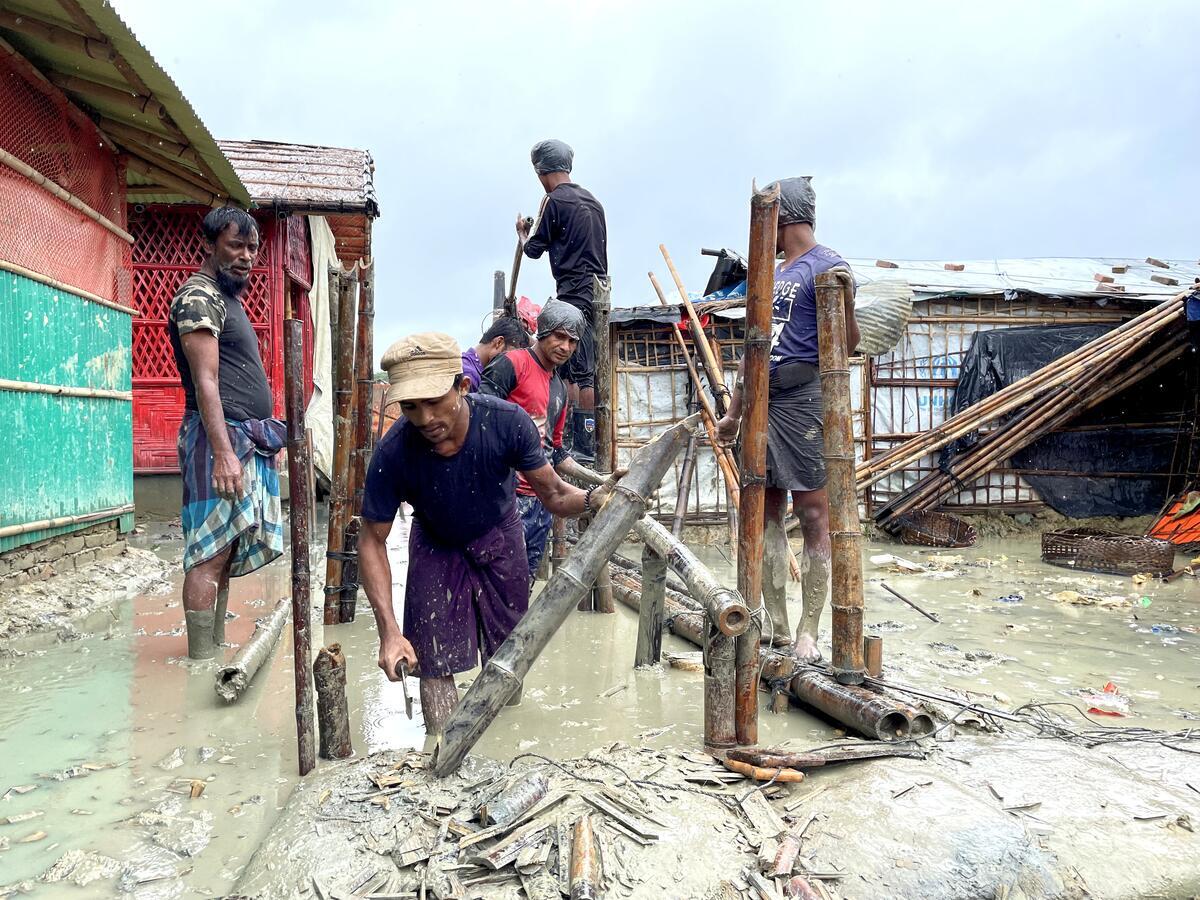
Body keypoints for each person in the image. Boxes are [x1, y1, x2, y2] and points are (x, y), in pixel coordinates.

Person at [358, 333, 622, 737]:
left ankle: (504, 742)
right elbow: (373, 540)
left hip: (499, 535)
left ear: (462, 387)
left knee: (508, 653)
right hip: (435, 543)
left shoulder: (506, 423)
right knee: (431, 658)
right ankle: (442, 757)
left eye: (434, 401)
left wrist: (593, 498)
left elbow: (552, 494)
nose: (425, 419)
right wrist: (389, 633)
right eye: (411, 407)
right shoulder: (394, 452)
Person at [716, 177, 859, 662]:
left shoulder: (829, 266)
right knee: (766, 509)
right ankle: (775, 626)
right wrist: (735, 413)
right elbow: (753, 347)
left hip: (803, 398)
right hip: (761, 399)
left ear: (785, 218)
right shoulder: (772, 273)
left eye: (768, 222)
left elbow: (850, 342)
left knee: (814, 511)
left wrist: (847, 299)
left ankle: (809, 631)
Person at [168, 207, 285, 660]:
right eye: (236, 245)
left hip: (244, 438)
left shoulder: (225, 298)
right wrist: (223, 452)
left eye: (252, 248)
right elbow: (206, 381)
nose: (247, 256)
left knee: (228, 545)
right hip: (219, 439)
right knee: (209, 551)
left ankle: (213, 648)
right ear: (208, 244)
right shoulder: (198, 297)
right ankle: (200, 661)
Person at [480, 300, 591, 581]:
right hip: (503, 496)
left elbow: (554, 451)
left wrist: (598, 480)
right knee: (493, 580)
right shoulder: (512, 364)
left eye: (572, 341)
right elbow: (478, 421)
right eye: (559, 336)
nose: (565, 347)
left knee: (523, 582)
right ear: (543, 332)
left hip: (540, 501)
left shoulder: (559, 389)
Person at [516, 139, 608, 465]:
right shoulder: (594, 202)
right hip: (600, 292)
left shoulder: (553, 201)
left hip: (573, 291)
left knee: (574, 372)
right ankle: (589, 443)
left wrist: (523, 233)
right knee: (591, 370)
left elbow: (534, 250)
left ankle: (575, 445)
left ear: (541, 172)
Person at [461, 316, 529, 392]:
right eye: (510, 357)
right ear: (499, 342)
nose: (511, 365)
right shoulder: (468, 376)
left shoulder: (466, 366)